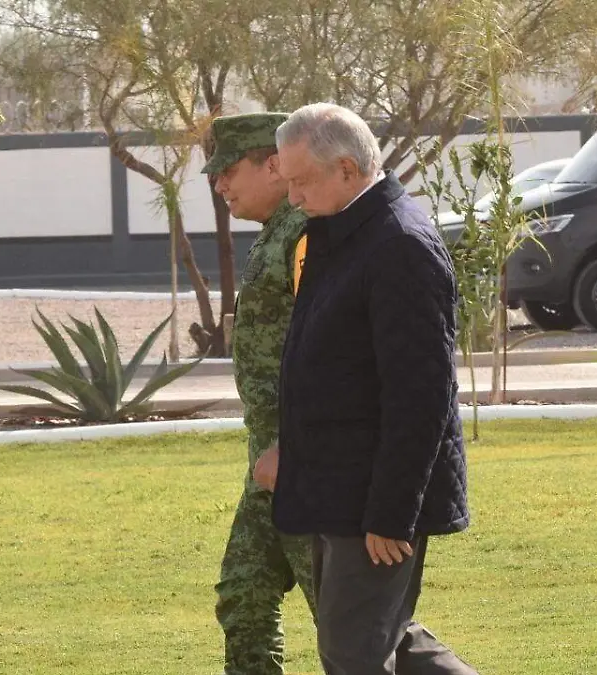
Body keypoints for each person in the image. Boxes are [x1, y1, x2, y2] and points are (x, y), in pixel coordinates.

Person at [253, 102, 478, 675]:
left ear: (347, 169)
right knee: (386, 641)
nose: (293, 197)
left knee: (353, 653)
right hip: (337, 487)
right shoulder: (341, 233)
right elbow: (332, 371)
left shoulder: (400, 244)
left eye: (301, 181)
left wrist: (391, 515)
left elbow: (420, 397)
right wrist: (292, 452)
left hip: (373, 500)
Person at [201, 112, 316, 675]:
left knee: (352, 618)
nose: (220, 184)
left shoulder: (305, 233)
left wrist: (294, 445)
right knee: (244, 590)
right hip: (270, 459)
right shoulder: (275, 232)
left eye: (228, 170)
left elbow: (330, 352)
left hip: (307, 460)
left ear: (273, 165)